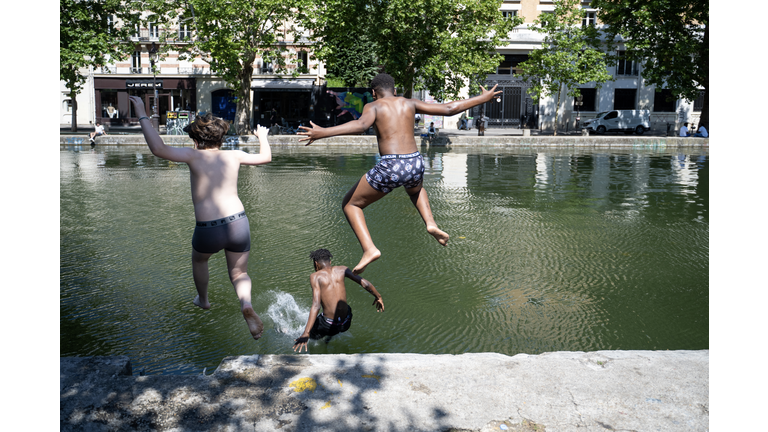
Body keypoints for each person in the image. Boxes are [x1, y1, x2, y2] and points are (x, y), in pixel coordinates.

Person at [299, 73, 500, 273]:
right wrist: (482, 98)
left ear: (373, 93)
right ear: (395, 91)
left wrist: (323, 132)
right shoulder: (409, 102)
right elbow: (449, 108)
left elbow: (361, 126)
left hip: (392, 165)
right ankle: (430, 224)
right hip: (415, 162)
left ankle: (369, 249)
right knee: (414, 190)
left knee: (351, 204)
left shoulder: (373, 106)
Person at [128, 95, 272, 340]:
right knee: (239, 274)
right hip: (238, 222)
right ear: (222, 138)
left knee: (200, 261)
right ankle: (245, 304)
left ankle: (203, 300)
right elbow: (265, 158)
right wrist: (263, 138)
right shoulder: (234, 155)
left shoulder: (192, 156)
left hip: (208, 228)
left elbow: (158, 148)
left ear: (195, 139)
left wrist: (142, 112)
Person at [293, 249, 384, 352]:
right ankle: (330, 336)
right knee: (347, 308)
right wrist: (378, 296)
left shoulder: (315, 276)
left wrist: (306, 333)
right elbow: (365, 284)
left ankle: (305, 336)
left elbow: (316, 305)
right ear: (330, 262)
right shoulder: (342, 269)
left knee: (311, 335)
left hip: (328, 326)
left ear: (316, 263)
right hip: (346, 323)